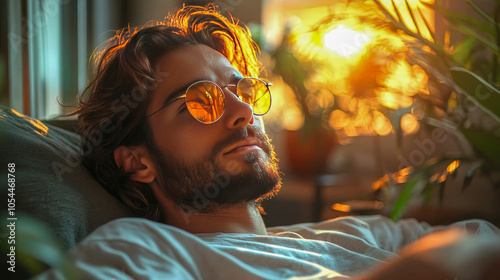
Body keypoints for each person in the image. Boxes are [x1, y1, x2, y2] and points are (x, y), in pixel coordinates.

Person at [36, 5, 500, 280]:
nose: (243, 112)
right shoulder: (140, 251)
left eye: (244, 91)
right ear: (138, 162)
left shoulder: (362, 234)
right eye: (199, 102)